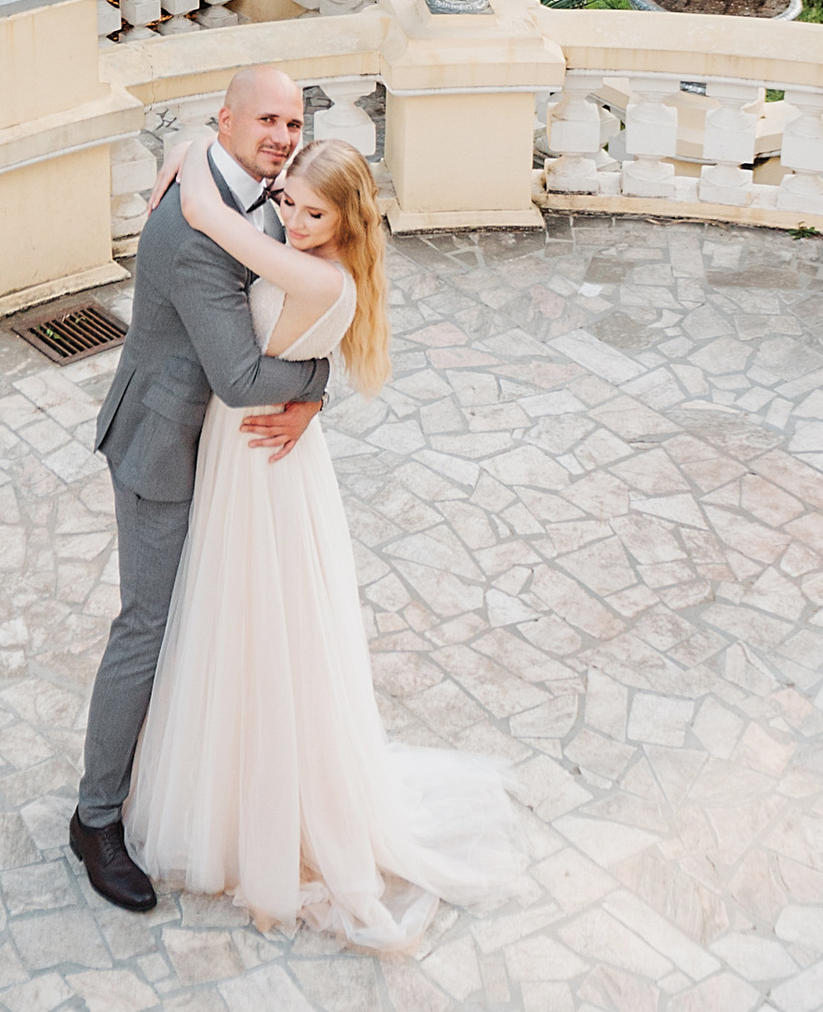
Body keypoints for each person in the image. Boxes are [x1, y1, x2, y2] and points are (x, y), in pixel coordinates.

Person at [123, 131, 523, 953]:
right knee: (247, 619)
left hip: (258, 458)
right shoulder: (327, 264)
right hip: (264, 447)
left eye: (313, 213)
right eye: (288, 204)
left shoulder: (312, 272)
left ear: (346, 217)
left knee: (261, 623)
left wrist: (193, 147)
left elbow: (205, 212)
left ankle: (261, 814)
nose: (295, 222)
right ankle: (242, 787)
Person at [72, 65, 326, 914]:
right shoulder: (192, 234)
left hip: (219, 453)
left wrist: (187, 146)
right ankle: (95, 818)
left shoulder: (259, 186)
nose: (283, 137)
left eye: (294, 122)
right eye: (267, 120)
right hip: (162, 446)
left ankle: (191, 775)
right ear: (225, 120)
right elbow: (244, 377)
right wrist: (320, 379)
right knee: (147, 626)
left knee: (216, 620)